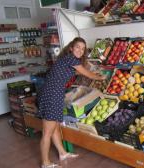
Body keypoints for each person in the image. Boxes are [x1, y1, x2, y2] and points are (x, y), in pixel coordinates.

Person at [38, 37, 105, 168]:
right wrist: (100, 76)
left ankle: (62, 153)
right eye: (78, 47)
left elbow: (78, 71)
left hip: (55, 95)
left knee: (55, 127)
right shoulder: (70, 58)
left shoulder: (67, 60)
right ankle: (45, 163)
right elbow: (87, 74)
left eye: (83, 48)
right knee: (47, 132)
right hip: (51, 96)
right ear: (71, 48)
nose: (80, 50)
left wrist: (92, 71)